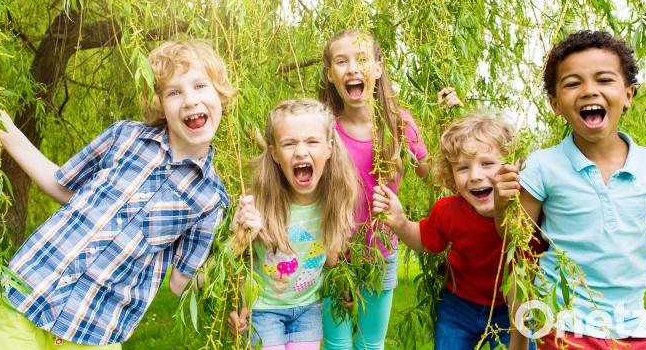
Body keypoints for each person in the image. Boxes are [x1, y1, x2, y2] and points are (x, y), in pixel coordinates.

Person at [0, 39, 237, 349]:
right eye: (174, 91)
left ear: (220, 93)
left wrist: (237, 242)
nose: (189, 100)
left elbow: (181, 282)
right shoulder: (124, 136)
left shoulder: (210, 198)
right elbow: (62, 186)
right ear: (160, 103)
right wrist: (1, 124)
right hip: (32, 288)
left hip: (95, 327)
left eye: (200, 85)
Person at [494, 30, 646, 349]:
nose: (588, 91)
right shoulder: (543, 165)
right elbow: (516, 239)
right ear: (555, 104)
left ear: (628, 94)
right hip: (566, 325)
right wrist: (503, 200)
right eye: (573, 83)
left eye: (604, 80)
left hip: (634, 325)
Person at [317, 28, 460, 349]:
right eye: (342, 61)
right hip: (332, 252)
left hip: (380, 251)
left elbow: (435, 177)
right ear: (330, 74)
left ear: (378, 68)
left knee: (370, 344)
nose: (353, 68)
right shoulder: (323, 127)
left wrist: (446, 123)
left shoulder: (399, 124)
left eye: (362, 59)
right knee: (336, 343)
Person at [372, 112, 535, 350]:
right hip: (460, 306)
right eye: (462, 168)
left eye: (488, 163)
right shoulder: (448, 211)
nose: (475, 176)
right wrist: (401, 223)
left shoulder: (527, 211)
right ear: (450, 175)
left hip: (507, 307)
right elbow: (425, 241)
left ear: (511, 167)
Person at [227, 99, 359, 350]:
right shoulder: (258, 204)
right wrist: (237, 304)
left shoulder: (332, 200)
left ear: (329, 148)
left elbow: (330, 257)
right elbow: (238, 261)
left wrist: (345, 286)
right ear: (275, 153)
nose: (300, 151)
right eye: (289, 143)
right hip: (263, 311)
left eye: (312, 141)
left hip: (308, 308)